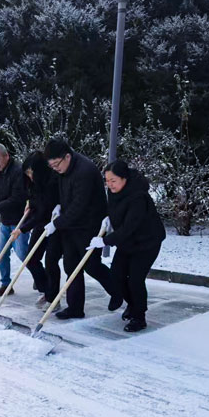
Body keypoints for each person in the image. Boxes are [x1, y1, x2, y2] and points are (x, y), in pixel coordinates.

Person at [42, 137, 122, 319]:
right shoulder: (64, 170)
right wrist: (58, 206)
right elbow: (63, 195)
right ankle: (75, 308)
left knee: (91, 266)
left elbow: (80, 206)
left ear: (67, 157)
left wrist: (56, 224)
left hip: (89, 225)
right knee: (71, 266)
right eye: (52, 166)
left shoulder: (85, 171)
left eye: (56, 164)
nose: (55, 169)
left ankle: (118, 291)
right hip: (70, 226)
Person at [87, 159, 166, 332]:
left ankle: (139, 317)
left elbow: (130, 227)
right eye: (107, 181)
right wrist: (109, 218)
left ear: (125, 179)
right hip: (128, 242)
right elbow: (115, 209)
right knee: (117, 276)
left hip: (147, 242)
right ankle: (132, 304)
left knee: (135, 279)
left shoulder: (138, 197)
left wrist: (105, 241)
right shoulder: (114, 191)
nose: (109, 185)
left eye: (113, 181)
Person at [11, 151, 62, 309]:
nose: (29, 176)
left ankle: (54, 299)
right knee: (31, 258)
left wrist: (22, 229)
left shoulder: (52, 182)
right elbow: (35, 203)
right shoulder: (33, 183)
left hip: (54, 225)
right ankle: (46, 291)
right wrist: (30, 203)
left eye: (31, 172)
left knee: (51, 261)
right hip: (41, 224)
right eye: (27, 173)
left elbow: (44, 211)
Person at [0, 143, 29, 297]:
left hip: (19, 221)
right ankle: (6, 285)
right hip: (5, 221)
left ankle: (41, 277)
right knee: (1, 253)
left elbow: (17, 199)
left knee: (24, 254)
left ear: (6, 156)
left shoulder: (18, 171)